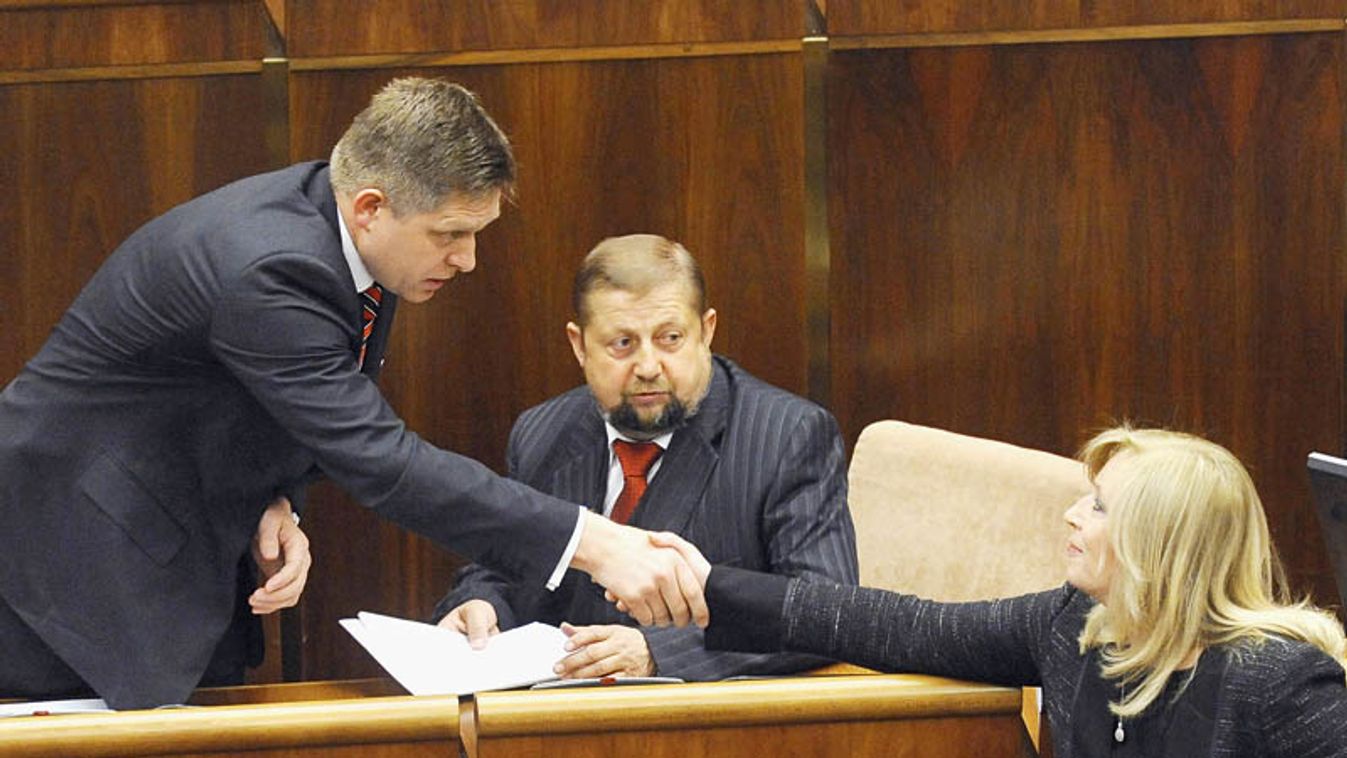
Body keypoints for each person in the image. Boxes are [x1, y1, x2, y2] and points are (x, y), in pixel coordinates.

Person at [0, 78, 707, 710]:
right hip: (63, 563)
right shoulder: (272, 267)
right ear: (370, 206)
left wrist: (274, 496)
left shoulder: (350, 239)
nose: (465, 260)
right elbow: (381, 460)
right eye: (450, 235)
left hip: (159, 541)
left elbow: (268, 395)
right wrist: (594, 543)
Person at [661, 427, 1347, 756]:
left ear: (1160, 545)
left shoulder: (1279, 681)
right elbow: (901, 626)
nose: (1072, 516)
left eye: (1100, 508)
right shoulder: (1077, 624)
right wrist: (705, 588)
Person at [431, 234, 858, 680]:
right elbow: (502, 566)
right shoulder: (542, 433)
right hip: (555, 718)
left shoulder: (787, 436)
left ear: (706, 331)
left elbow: (827, 611)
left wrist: (659, 651)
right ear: (579, 346)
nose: (649, 365)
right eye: (622, 344)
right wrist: (478, 604)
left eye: (670, 338)